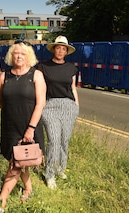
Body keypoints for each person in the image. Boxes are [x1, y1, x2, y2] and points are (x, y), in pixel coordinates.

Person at [0, 40, 46, 213]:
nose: (19, 56)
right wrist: (12, 112)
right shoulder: (4, 76)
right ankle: (28, 189)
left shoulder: (36, 75)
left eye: (23, 54)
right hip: (10, 126)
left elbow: (40, 104)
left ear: (28, 56)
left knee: (15, 165)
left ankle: (2, 200)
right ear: (11, 55)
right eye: (16, 53)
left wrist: (30, 128)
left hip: (29, 125)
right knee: (21, 160)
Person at [37, 36, 79, 189]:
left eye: (63, 48)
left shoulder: (71, 68)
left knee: (64, 140)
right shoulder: (43, 67)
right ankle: (50, 174)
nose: (60, 50)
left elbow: (73, 88)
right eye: (58, 47)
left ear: (66, 51)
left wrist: (76, 106)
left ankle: (60, 168)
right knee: (54, 139)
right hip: (49, 105)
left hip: (68, 105)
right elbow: (39, 87)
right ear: (53, 49)